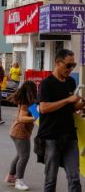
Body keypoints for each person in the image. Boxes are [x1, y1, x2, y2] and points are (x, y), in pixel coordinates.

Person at [35, 49, 84, 192]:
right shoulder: (46, 83)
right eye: (68, 65)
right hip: (50, 137)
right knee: (51, 180)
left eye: (73, 65)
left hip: (69, 135)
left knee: (74, 178)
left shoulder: (70, 81)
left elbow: (72, 108)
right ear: (58, 63)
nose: (71, 69)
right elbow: (43, 108)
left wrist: (80, 104)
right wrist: (68, 99)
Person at [5, 81, 37, 191]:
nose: (36, 90)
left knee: (19, 155)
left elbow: (34, 113)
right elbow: (22, 118)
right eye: (35, 88)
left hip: (16, 131)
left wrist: (37, 114)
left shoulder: (28, 101)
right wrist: (35, 118)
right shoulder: (26, 102)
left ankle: (10, 177)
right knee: (24, 156)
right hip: (20, 132)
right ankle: (19, 181)